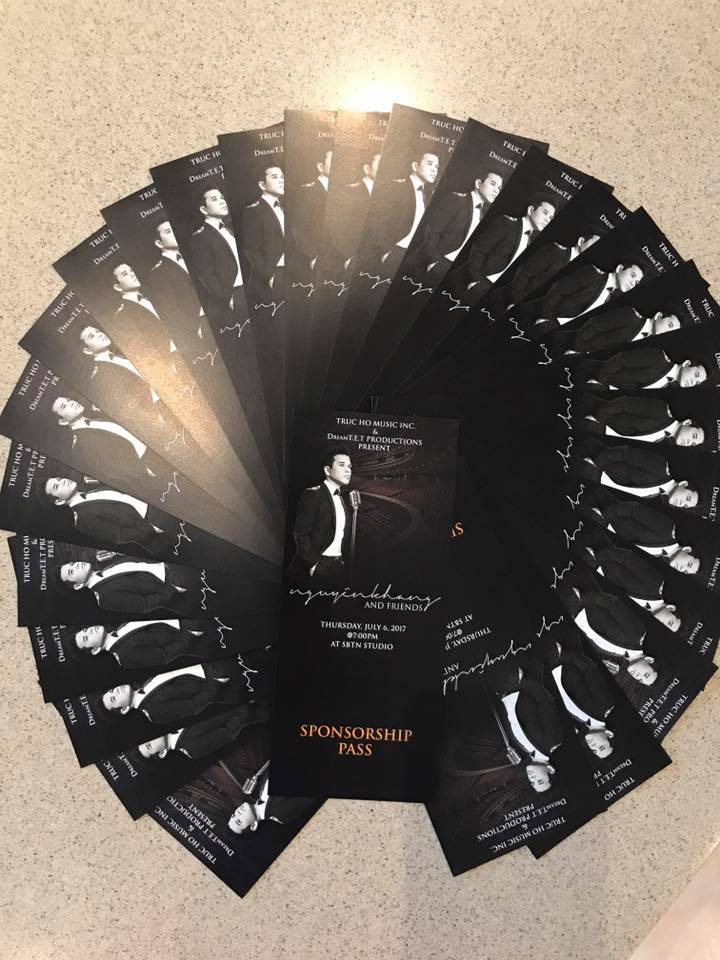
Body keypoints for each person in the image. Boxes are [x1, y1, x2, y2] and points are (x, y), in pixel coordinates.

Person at [446, 193, 557, 307]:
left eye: (550, 218)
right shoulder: (507, 223)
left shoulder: (531, 242)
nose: (547, 220)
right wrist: (475, 280)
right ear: (530, 210)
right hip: (468, 283)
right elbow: (479, 249)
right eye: (545, 213)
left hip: (491, 294)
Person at [42, 475, 170, 555]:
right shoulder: (83, 520)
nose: (63, 481)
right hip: (156, 528)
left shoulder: (91, 489)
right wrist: (152, 528)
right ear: (59, 501)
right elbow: (119, 536)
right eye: (57, 486)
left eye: (59, 479)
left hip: (159, 507)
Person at [412, 168, 504, 278]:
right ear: (478, 183)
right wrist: (431, 261)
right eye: (493, 184)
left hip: (450, 270)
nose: (496, 191)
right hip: (430, 263)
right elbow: (432, 231)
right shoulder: (457, 199)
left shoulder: (481, 214)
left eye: (499, 188)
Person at [561, 583, 658, 686]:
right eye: (645, 675)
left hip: (567, 615)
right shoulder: (637, 633)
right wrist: (580, 598)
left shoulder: (616, 656)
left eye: (640, 680)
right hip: (576, 595)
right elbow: (612, 603)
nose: (638, 677)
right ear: (649, 659)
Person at [492, 661, 565, 794]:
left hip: (502, 688)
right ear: (550, 770)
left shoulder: (525, 751)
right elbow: (545, 702)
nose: (532, 779)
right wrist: (522, 680)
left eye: (532, 783)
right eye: (540, 781)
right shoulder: (553, 740)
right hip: (516, 679)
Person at [55, 553, 206, 616]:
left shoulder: (107, 567)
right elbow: (145, 605)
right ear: (77, 586)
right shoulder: (105, 599)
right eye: (72, 572)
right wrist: (172, 589)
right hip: (179, 588)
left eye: (72, 564)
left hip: (177, 567)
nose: (76, 565)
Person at [100, 659, 244, 724]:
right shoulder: (154, 714)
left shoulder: (144, 682)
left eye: (111, 691)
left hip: (211, 662)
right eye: (114, 698)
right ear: (124, 709)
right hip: (222, 681)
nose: (116, 691)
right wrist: (216, 683)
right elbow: (194, 706)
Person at [287, 447, 353, 586]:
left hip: (337, 566)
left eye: (349, 466)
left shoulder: (342, 499)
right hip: (317, 566)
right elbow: (301, 534)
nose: (348, 470)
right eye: (342, 465)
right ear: (327, 470)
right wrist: (313, 564)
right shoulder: (313, 494)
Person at [369, 148, 440, 274]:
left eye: (437, 166)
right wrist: (385, 251)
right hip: (390, 252)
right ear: (415, 166)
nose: (434, 169)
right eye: (429, 164)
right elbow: (377, 219)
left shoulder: (425, 195)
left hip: (410, 256)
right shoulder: (397, 186)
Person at [51, 396, 156, 480]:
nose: (72, 403)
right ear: (63, 421)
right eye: (64, 406)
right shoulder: (81, 445)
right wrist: (146, 471)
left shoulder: (97, 416)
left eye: (68, 400)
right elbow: (113, 470)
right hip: (149, 468)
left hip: (153, 450)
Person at [526, 262, 644, 329]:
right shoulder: (592, 274)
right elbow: (558, 289)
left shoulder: (613, 300)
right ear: (620, 268)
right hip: (543, 319)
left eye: (636, 282)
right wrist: (544, 317)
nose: (632, 283)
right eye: (632, 276)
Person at [549, 640, 615, 759]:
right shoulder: (605, 705)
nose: (593, 746)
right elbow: (589, 669)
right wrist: (563, 653)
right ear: (608, 734)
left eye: (594, 751)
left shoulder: (579, 723)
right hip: (559, 652)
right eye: (601, 747)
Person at [137, 702, 269, 760]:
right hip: (253, 707)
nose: (149, 739)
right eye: (149, 745)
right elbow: (228, 732)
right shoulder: (192, 749)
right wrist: (244, 707)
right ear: (162, 753)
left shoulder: (166, 719)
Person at [189, 182, 243, 322]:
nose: (222, 201)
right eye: (214, 199)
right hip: (231, 299)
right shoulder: (200, 237)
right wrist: (228, 298)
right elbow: (206, 275)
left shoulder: (229, 229)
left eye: (222, 198)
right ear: (204, 209)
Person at [147, 220, 205, 345]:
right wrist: (195, 327)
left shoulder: (193, 254)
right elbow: (171, 309)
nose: (174, 232)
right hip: (200, 327)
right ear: (159, 243)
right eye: (168, 231)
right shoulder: (159, 273)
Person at [74, 619, 220, 668]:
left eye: (85, 630)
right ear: (95, 650)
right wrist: (189, 635)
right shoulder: (125, 657)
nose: (89, 631)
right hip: (198, 637)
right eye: (87, 638)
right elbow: (165, 655)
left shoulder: (119, 627)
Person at [508, 232, 602, 305]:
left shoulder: (585, 272)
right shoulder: (555, 251)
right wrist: (514, 301)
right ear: (581, 241)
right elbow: (524, 273)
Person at [78, 325, 159, 404]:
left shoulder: (121, 355)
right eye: (92, 336)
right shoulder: (99, 377)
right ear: (87, 351)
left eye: (97, 331)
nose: (100, 334)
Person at [582, 395, 706, 446]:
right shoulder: (662, 411)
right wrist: (599, 417)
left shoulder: (664, 447)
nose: (690, 442)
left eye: (693, 443)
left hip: (592, 438)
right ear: (687, 423)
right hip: (590, 410)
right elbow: (625, 403)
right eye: (694, 436)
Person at [241, 164, 285, 305]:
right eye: (275, 177)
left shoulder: (283, 208)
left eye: (282, 177)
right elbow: (251, 250)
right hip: (270, 278)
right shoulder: (253, 211)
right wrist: (269, 276)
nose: (281, 180)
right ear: (262, 185)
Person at [560, 305, 682, 355]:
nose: (669, 332)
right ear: (658, 316)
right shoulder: (630, 315)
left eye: (673, 331)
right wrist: (574, 349)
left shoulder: (653, 352)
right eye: (670, 325)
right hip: (568, 348)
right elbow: (594, 325)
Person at [227, 765, 308, 834]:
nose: (237, 812)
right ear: (254, 825)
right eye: (239, 821)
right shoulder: (282, 815)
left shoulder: (258, 791)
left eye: (233, 815)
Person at [583, 347, 708, 390]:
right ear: (686, 363)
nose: (693, 382)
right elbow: (622, 359)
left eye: (697, 382)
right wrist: (600, 378)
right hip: (591, 375)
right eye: (696, 375)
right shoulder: (659, 357)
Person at [291, 150, 333, 278]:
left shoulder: (346, 191)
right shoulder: (307, 191)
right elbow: (298, 227)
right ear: (320, 166)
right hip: (315, 259)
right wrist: (312, 256)